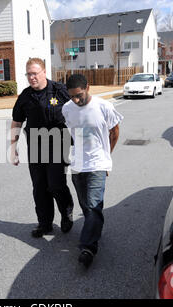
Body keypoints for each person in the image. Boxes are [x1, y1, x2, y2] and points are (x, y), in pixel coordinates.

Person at [62, 74, 123, 268]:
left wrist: (106, 158)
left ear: (88, 87)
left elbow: (115, 132)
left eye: (79, 95)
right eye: (72, 96)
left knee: (94, 204)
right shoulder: (66, 109)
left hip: (98, 164)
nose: (76, 100)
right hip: (78, 165)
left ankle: (88, 247)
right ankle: (94, 230)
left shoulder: (104, 106)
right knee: (86, 206)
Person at [10, 58, 74, 238]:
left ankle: (66, 212)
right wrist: (13, 147)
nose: (31, 77)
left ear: (44, 72)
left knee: (55, 183)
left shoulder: (59, 91)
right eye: (28, 74)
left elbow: (77, 112)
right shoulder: (25, 96)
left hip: (58, 144)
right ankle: (45, 223)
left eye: (35, 73)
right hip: (36, 146)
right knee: (39, 187)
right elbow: (17, 121)